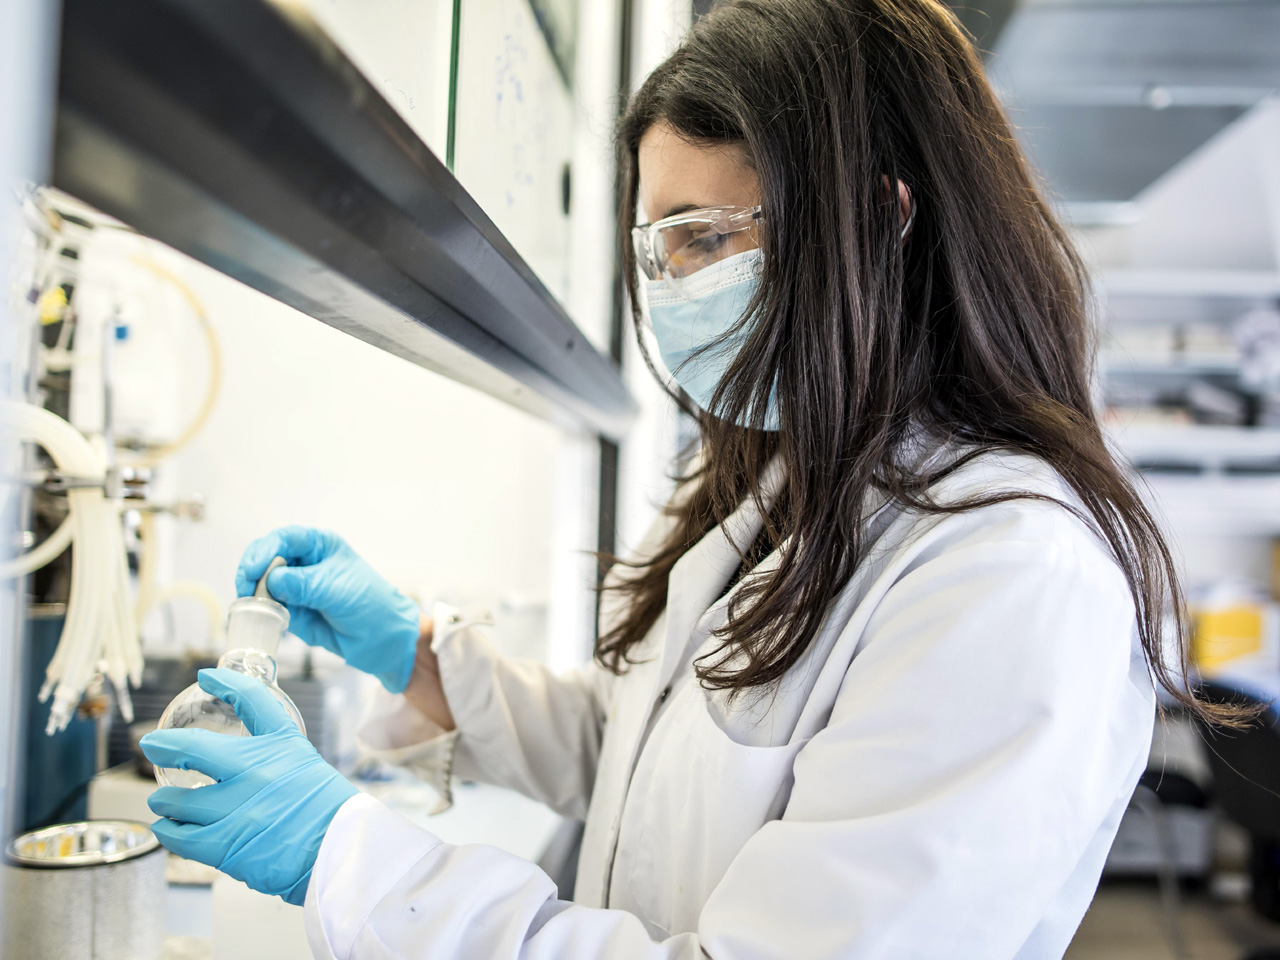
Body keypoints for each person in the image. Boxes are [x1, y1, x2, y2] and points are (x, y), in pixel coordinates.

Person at [138, 0, 1239, 956]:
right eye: (657, 249)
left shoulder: (1009, 578)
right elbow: (640, 753)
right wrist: (415, 657)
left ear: (878, 221)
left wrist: (343, 857)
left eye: (705, 237)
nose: (672, 289)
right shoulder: (778, 482)